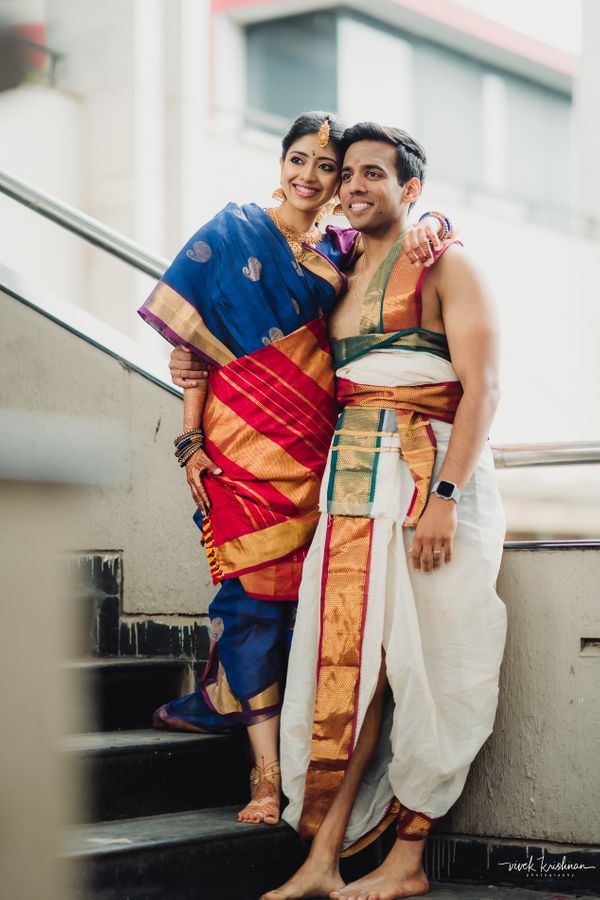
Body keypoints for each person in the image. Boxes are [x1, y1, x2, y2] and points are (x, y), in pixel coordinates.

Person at [138, 111, 450, 828]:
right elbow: (193, 354)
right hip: (237, 446)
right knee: (249, 604)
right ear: (279, 163)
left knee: (295, 610)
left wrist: (436, 216)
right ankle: (266, 776)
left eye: (327, 167)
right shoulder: (233, 232)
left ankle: (234, 702)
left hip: (318, 452)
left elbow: (407, 225)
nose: (311, 178)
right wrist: (189, 442)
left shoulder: (344, 247)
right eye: (299, 160)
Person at [262, 122, 506, 900]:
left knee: (438, 665)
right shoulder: (335, 266)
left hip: (431, 480)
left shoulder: (447, 263)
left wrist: (444, 498)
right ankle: (322, 860)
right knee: (352, 675)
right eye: (348, 174)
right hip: (352, 485)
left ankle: (407, 861)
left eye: (375, 173)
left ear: (411, 190)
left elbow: (484, 389)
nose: (355, 184)